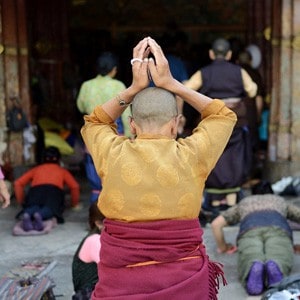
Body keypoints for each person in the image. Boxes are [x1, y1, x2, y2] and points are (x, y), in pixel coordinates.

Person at [81, 36, 237, 299]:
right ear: (175, 124)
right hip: (184, 280)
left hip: (121, 283)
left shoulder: (113, 153)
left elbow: (95, 123)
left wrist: (132, 89)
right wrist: (173, 84)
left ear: (131, 125)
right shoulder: (192, 155)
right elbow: (223, 115)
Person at [184, 37, 258, 220]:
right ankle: (231, 202)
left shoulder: (204, 72)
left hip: (213, 120)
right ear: (229, 54)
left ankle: (216, 203)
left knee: (214, 155)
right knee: (234, 157)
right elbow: (252, 91)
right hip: (235, 122)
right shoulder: (239, 71)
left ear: (211, 54)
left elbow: (186, 89)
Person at [211, 181, 300, 296]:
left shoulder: (245, 202)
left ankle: (253, 265)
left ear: (252, 194)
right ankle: (275, 264)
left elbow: (216, 224)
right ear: (272, 194)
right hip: (278, 229)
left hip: (249, 230)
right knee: (279, 253)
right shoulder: (280, 201)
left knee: (251, 254)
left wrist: (223, 247)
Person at [76, 51, 131, 203]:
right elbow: (126, 113)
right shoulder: (118, 85)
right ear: (113, 69)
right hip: (114, 134)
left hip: (93, 134)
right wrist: (129, 136)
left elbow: (81, 107)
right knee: (113, 175)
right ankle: (113, 214)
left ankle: (95, 217)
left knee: (94, 173)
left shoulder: (86, 85)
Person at [14, 146, 80, 231]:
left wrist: (21, 201)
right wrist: (74, 204)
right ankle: (40, 215)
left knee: (33, 206)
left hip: (35, 192)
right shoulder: (62, 171)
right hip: (53, 192)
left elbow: (17, 183)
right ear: (59, 159)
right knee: (50, 208)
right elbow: (75, 186)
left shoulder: (36, 169)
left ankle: (27, 214)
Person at [72, 202, 105, 300]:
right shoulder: (94, 240)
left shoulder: (101, 238)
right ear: (98, 223)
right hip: (89, 294)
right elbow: (113, 268)